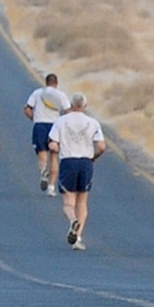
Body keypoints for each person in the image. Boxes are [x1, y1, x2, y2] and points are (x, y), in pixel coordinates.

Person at [48, 93, 106, 251]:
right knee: (82, 201)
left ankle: (73, 220)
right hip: (86, 162)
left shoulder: (61, 121)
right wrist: (94, 157)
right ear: (85, 106)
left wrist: (59, 150)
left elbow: (53, 145)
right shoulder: (92, 122)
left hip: (68, 161)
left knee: (68, 201)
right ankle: (78, 238)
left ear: (71, 105)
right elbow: (101, 146)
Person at [25, 73, 70, 196]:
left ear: (46, 82)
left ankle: (44, 172)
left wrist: (34, 118)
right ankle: (51, 188)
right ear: (56, 83)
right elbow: (68, 111)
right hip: (55, 126)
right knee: (54, 156)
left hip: (40, 125)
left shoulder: (37, 93)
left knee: (42, 152)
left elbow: (28, 109)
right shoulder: (61, 95)